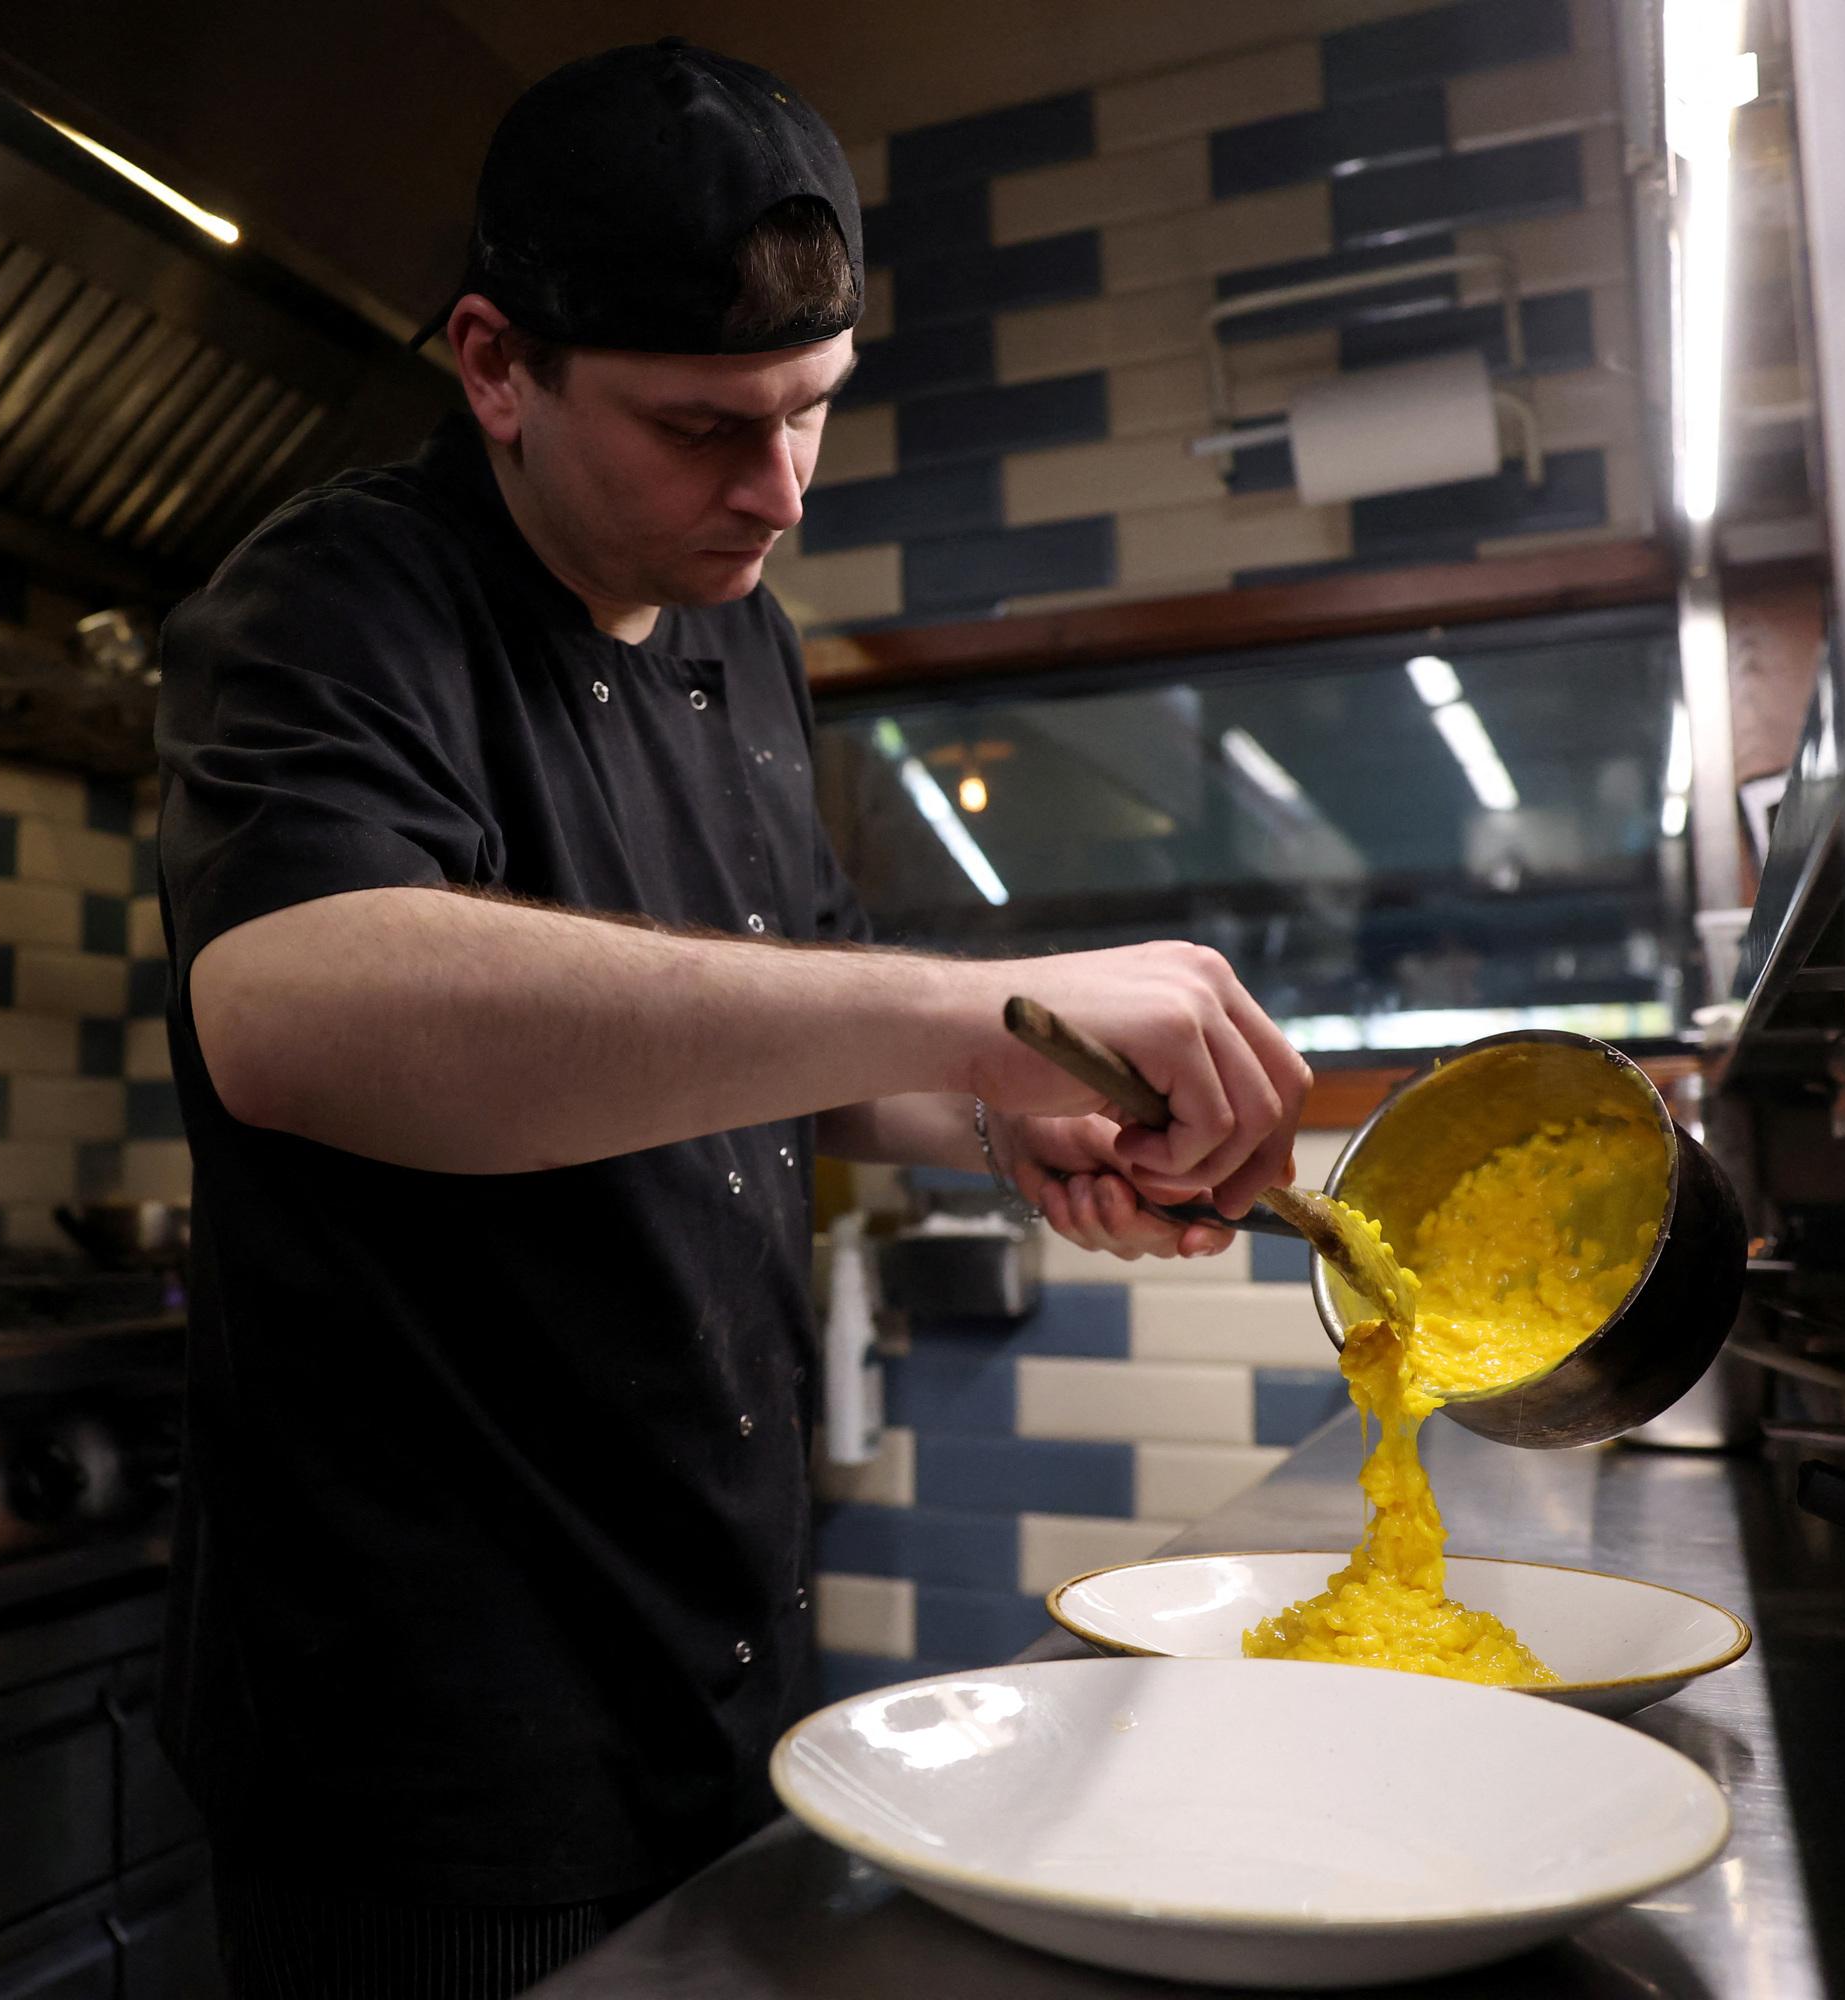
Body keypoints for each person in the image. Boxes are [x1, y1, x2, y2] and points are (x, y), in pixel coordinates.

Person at [150, 40, 1312, 1997]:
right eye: (701, 426)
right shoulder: (340, 602)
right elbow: (292, 1010)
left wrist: (1008, 1118)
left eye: (811, 410)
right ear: (496, 366)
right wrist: (975, 1013)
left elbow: (805, 1036)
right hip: (432, 1740)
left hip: (721, 1659)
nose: (775, 489)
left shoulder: (741, 638)